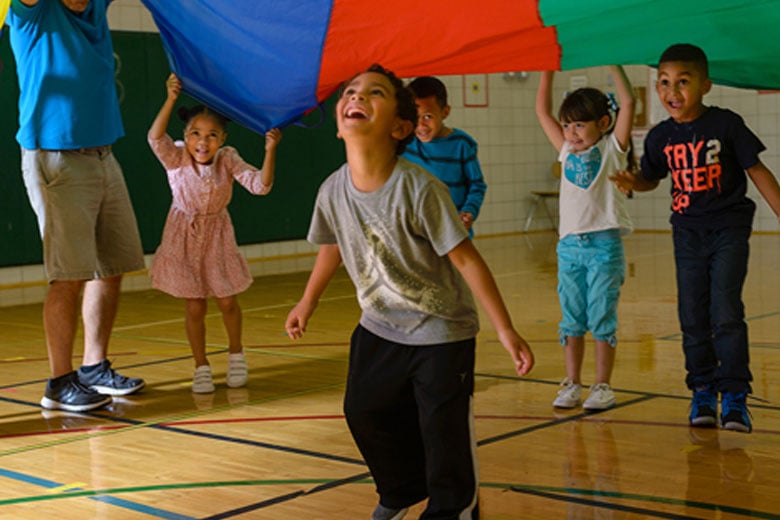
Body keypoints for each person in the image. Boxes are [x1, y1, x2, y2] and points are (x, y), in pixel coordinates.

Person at [285, 64, 534, 520]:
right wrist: (307, 301)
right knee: (363, 411)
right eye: (351, 91)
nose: (357, 97)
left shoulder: (419, 188)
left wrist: (505, 330)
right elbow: (332, 246)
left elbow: (466, 259)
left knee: (443, 432)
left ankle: (453, 506)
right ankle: (401, 491)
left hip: (441, 332)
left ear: (401, 127)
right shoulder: (332, 190)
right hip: (380, 326)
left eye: (374, 93)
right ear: (340, 123)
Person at [612, 44, 780, 433]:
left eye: (683, 82)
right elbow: (651, 179)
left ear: (705, 85)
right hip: (687, 232)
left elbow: (758, 171)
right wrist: (632, 181)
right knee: (692, 314)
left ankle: (735, 395)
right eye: (665, 83)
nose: (673, 90)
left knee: (725, 311)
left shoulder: (727, 124)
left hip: (728, 229)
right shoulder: (659, 137)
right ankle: (702, 388)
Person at [7, 0, 146, 412]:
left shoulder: (95, 6)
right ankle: (58, 382)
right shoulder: (33, 11)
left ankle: (93, 367)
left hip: (104, 154)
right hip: (56, 156)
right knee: (68, 275)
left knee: (111, 267)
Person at [148, 73, 282, 393]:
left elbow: (261, 186)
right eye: (195, 134)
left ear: (222, 139)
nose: (202, 142)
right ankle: (201, 366)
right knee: (194, 306)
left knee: (226, 301)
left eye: (211, 135)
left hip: (217, 235)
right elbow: (155, 138)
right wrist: (170, 98)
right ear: (186, 136)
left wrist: (270, 149)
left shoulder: (228, 159)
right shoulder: (177, 157)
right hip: (183, 235)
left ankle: (236, 355)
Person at [536, 65, 636, 411]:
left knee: (601, 317)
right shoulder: (566, 151)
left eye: (579, 124)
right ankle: (572, 383)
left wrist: (612, 63)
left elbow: (628, 100)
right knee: (572, 318)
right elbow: (541, 111)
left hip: (603, 247)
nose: (571, 131)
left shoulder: (612, 149)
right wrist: (547, 70)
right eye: (567, 124)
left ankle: (602, 385)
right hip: (569, 249)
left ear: (603, 124)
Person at [401, 76, 487, 237]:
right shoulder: (405, 142)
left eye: (428, 116)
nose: (420, 125)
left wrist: (469, 211)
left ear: (445, 112)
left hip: (454, 233)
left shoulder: (462, 144)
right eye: (415, 116)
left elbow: (477, 186)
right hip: (418, 235)